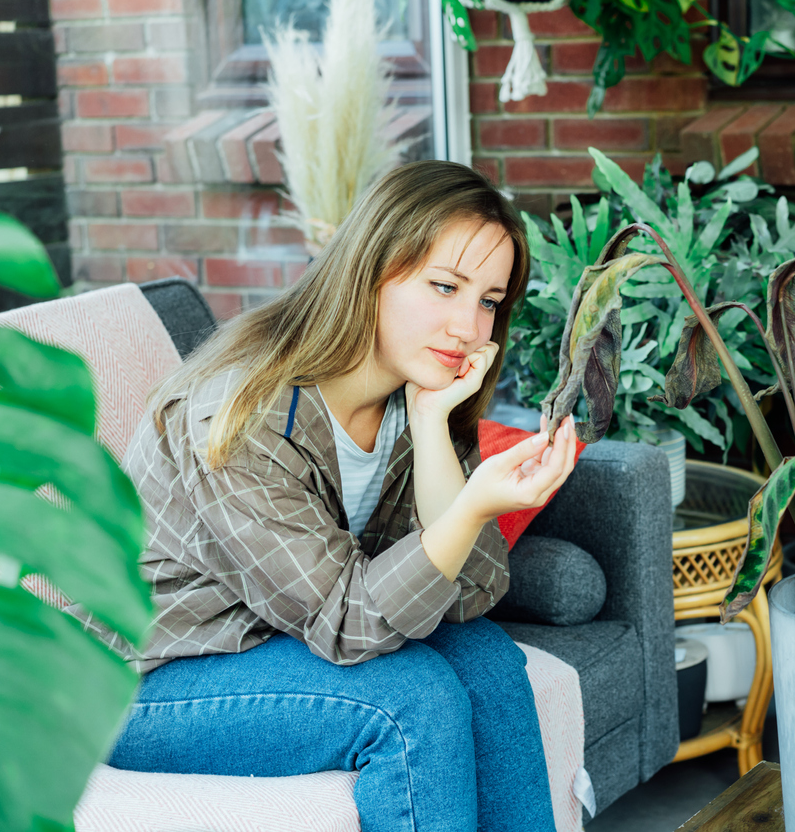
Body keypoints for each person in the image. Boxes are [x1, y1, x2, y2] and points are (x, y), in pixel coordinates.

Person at [74, 161, 579, 832]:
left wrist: (433, 434)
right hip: (146, 681)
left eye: (488, 301)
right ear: (369, 272)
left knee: (486, 661)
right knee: (412, 700)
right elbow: (353, 623)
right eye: (444, 286)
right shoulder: (239, 413)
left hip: (274, 637)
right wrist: (466, 507)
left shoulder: (421, 392)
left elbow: (470, 595)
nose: (468, 328)